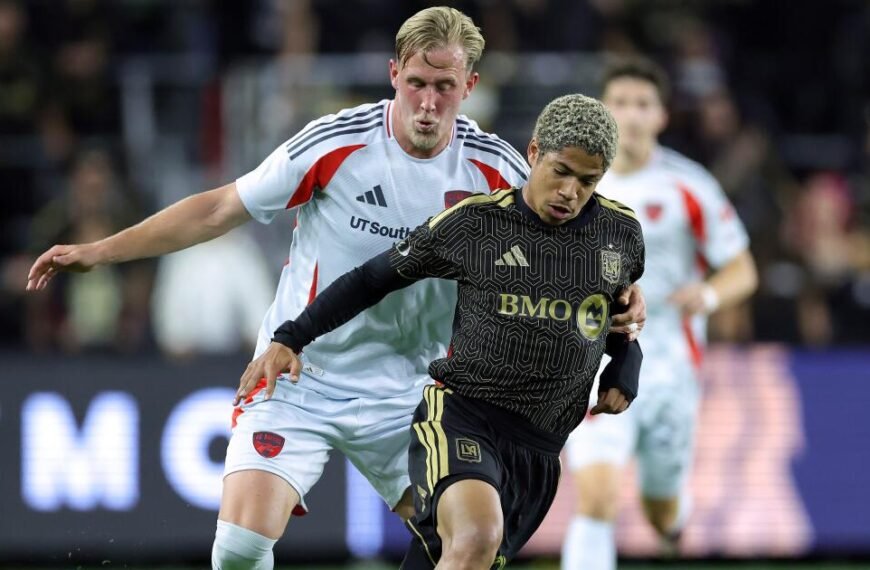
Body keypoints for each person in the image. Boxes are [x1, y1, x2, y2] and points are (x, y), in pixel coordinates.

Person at [26, 7, 645, 569]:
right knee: (239, 550)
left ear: (470, 86)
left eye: (445, 87)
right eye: (417, 84)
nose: (429, 103)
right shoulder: (336, 144)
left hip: (419, 391)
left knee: (468, 547)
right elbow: (220, 208)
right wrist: (100, 251)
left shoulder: (496, 168)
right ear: (394, 74)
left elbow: (580, 236)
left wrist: (626, 295)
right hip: (302, 371)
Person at [237, 93, 645, 570]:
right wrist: (291, 336)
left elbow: (615, 320)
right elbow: (372, 280)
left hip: (540, 449)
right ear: (534, 153)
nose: (570, 192)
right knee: (475, 537)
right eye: (561, 171)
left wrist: (625, 366)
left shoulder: (621, 235)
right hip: (463, 417)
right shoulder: (475, 223)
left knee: (447, 557)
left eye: (587, 181)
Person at [561, 57, 758, 570]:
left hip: (670, 367)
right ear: (602, 112)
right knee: (597, 498)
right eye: (620, 103)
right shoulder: (572, 184)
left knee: (660, 509)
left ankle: (671, 521)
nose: (631, 114)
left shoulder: (689, 186)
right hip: (594, 359)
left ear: (662, 116)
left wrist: (708, 296)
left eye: (642, 104)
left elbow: (742, 269)